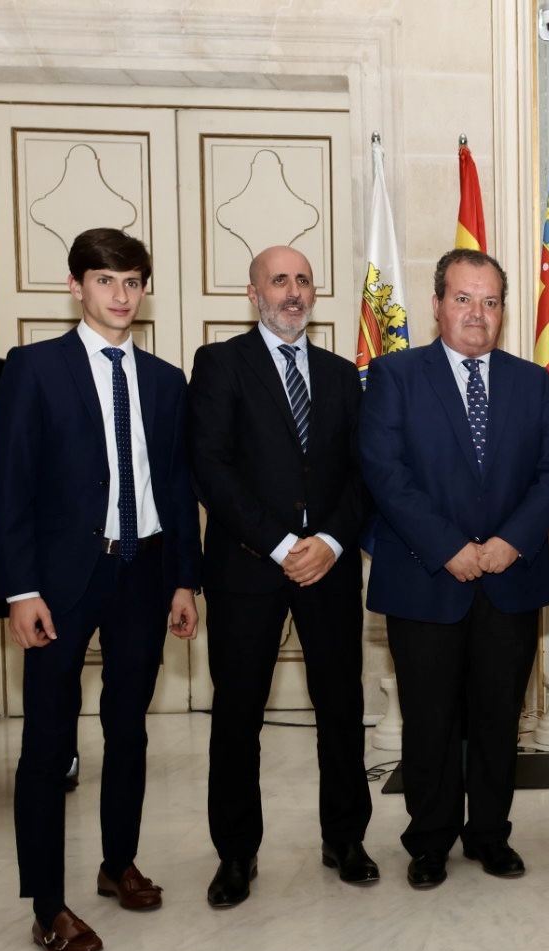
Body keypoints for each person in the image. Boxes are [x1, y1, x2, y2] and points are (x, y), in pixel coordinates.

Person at [0, 227, 201, 951]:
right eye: (107, 281)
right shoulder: (35, 369)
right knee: (48, 744)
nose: (122, 295)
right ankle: (48, 905)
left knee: (130, 729)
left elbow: (177, 486)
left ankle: (118, 863)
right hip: (61, 583)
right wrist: (20, 590)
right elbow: (11, 489)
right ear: (77, 287)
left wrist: (183, 576)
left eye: (134, 281)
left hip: (144, 573)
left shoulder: (166, 381)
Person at [360, 249, 549, 888]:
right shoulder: (394, 376)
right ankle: (429, 841)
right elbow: (384, 473)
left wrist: (511, 541)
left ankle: (489, 835)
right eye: (463, 298)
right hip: (425, 577)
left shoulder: (532, 382)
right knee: (429, 719)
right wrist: (449, 546)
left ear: (504, 310)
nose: (477, 313)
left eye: (490, 301)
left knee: (496, 717)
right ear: (436, 304)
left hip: (509, 580)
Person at [188, 245, 376, 908]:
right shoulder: (219, 365)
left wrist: (326, 540)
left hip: (327, 565)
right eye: (279, 281)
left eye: (302, 281)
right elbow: (209, 466)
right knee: (238, 714)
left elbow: (363, 473)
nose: (292, 293)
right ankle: (236, 854)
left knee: (341, 706)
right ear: (253, 293)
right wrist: (277, 542)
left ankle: (345, 838)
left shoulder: (338, 373)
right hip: (247, 567)